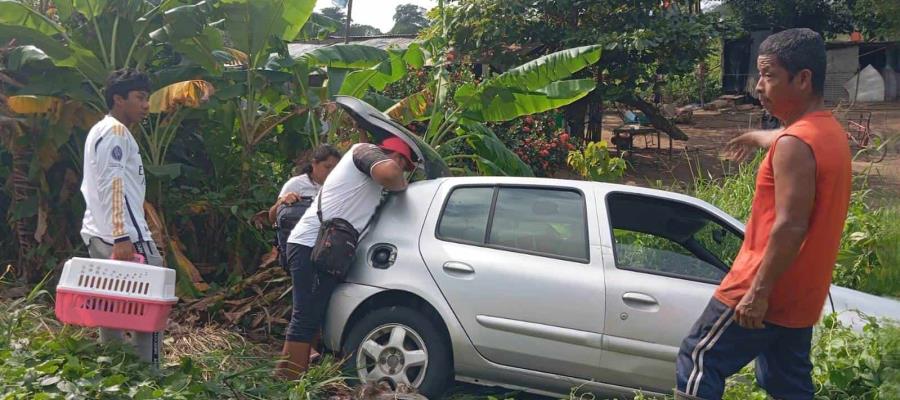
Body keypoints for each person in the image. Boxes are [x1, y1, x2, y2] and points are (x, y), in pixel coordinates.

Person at [674, 28, 852, 400]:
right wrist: (757, 137)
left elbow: (790, 225)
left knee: (699, 358)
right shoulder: (828, 133)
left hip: (761, 286)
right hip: (802, 293)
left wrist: (757, 293)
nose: (758, 86)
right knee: (786, 384)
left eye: (769, 75)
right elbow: (792, 141)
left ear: (802, 79)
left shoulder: (794, 145)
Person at [274, 136, 415, 380]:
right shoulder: (363, 151)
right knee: (305, 318)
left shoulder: (367, 178)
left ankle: (286, 376)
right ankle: (288, 382)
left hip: (322, 246)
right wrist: (401, 183)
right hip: (312, 244)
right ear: (397, 156)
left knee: (310, 316)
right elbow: (392, 174)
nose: (402, 170)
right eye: (403, 164)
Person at [80, 69, 164, 366]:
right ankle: (151, 377)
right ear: (118, 99)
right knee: (151, 305)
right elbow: (113, 183)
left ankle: (114, 371)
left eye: (148, 98)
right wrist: (122, 236)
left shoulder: (100, 130)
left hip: (99, 233)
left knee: (110, 308)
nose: (146, 105)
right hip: (126, 237)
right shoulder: (115, 132)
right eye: (140, 98)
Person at [267, 144, 341, 226]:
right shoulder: (296, 184)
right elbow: (271, 218)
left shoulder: (338, 188)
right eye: (327, 167)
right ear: (314, 163)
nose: (331, 171)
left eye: (335, 168)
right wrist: (281, 202)